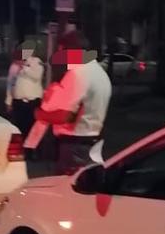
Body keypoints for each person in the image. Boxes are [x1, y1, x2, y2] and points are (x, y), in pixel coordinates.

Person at [27, 30, 112, 176]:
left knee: (68, 187)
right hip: (93, 142)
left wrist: (39, 114)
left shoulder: (77, 74)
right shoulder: (99, 73)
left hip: (74, 146)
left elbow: (65, 116)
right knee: (89, 184)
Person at [4, 39, 44, 139]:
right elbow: (10, 83)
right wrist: (8, 101)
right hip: (18, 102)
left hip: (32, 102)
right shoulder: (14, 65)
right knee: (19, 128)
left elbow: (36, 76)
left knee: (32, 129)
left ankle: (31, 147)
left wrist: (24, 67)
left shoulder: (36, 62)